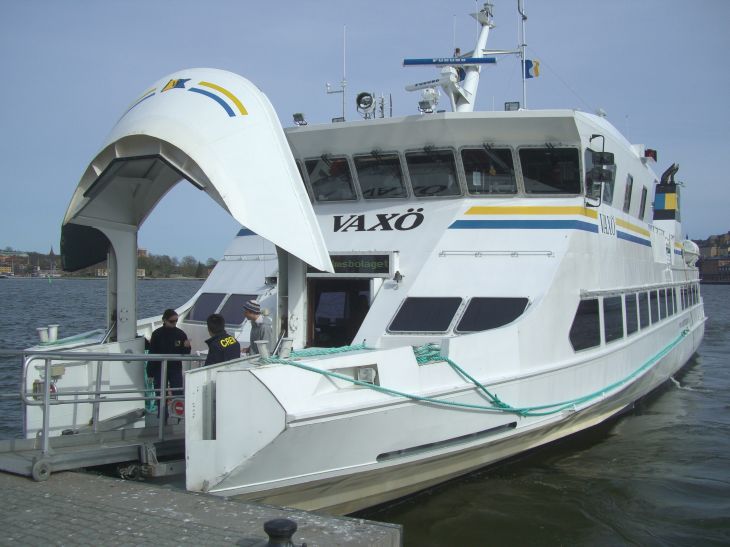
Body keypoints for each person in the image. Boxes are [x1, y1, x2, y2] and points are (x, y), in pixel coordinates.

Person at [147, 309, 191, 419]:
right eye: (172, 321)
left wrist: (187, 347)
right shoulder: (157, 334)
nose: (174, 323)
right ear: (164, 320)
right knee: (160, 393)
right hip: (159, 368)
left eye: (176, 321)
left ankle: (179, 417)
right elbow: (152, 354)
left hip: (175, 368)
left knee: (178, 392)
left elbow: (185, 354)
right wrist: (150, 373)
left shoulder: (180, 334)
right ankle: (162, 416)